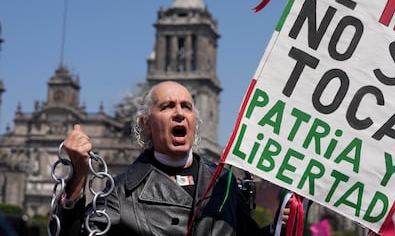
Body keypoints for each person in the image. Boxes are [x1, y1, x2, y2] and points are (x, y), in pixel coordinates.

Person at [55, 81, 290, 235]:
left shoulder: (224, 183)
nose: (179, 113)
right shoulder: (120, 192)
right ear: (145, 123)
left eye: (186, 107)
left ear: (194, 122)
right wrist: (79, 176)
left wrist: (281, 224)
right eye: (167, 106)